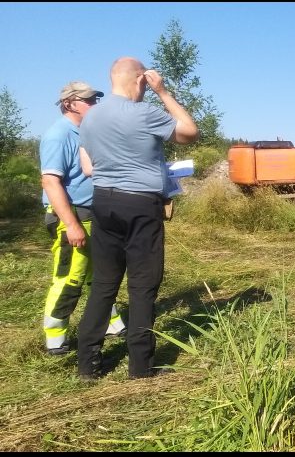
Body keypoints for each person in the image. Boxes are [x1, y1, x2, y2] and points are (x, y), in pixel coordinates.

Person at [76, 57, 198, 380]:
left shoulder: (90, 117)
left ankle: (87, 363)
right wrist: (164, 92)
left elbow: (89, 166)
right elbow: (189, 132)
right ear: (141, 80)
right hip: (140, 205)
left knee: (104, 284)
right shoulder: (145, 112)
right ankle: (141, 366)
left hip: (102, 201)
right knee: (142, 285)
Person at [39, 81, 126, 356]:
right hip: (72, 215)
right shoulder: (59, 135)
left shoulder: (86, 132)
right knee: (70, 277)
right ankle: (55, 337)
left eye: (95, 99)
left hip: (92, 213)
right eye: (88, 100)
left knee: (99, 274)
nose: (94, 104)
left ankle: (111, 322)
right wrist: (71, 225)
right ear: (69, 103)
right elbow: (50, 182)